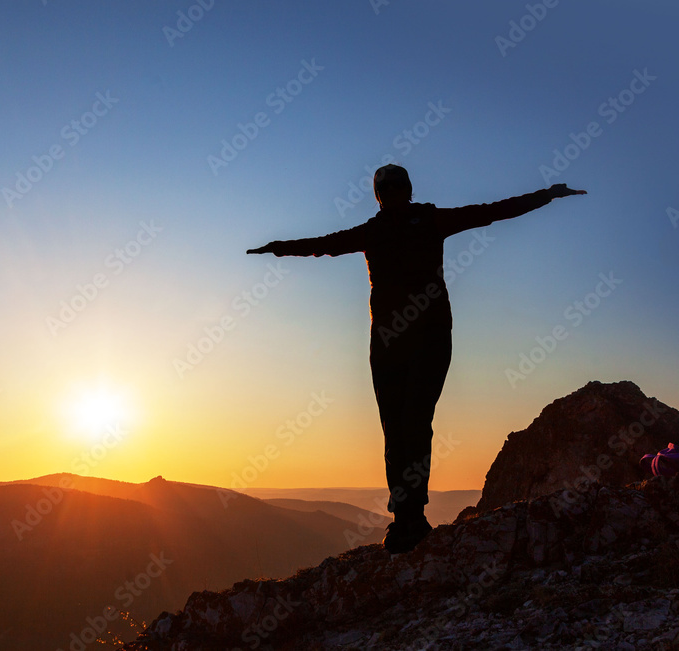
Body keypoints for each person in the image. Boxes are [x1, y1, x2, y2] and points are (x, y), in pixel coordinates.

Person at [247, 165, 586, 553]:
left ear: (381, 194)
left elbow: (322, 244)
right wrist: (547, 195)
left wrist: (276, 247)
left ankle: (408, 519)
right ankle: (409, 518)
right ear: (403, 190)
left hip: (397, 341)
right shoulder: (425, 221)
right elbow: (493, 210)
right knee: (411, 424)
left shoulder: (381, 230)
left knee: (400, 426)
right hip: (425, 337)